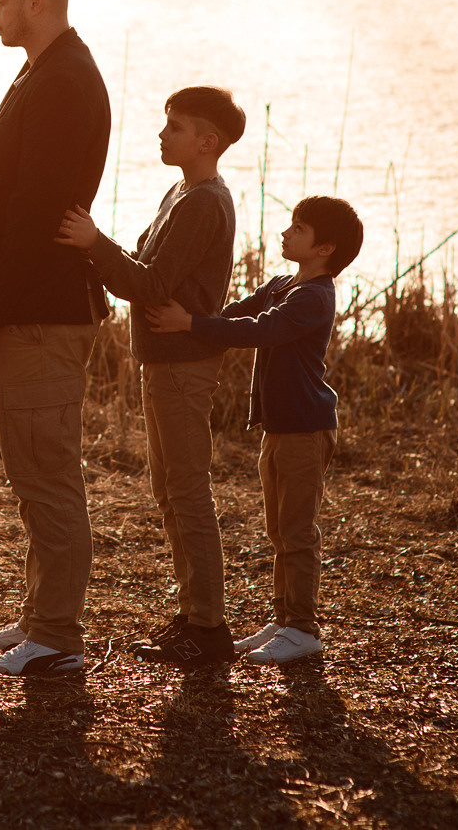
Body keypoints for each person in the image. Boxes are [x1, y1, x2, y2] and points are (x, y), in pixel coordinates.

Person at [0, 0, 113, 677]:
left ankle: (56, 636)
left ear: (37, 2)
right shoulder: (47, 70)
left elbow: (34, 210)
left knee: (49, 471)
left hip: (41, 312)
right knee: (33, 469)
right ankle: (38, 615)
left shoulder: (63, 82)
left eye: (1, 0)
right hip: (31, 310)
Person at [54, 85, 246, 668]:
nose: (163, 135)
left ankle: (209, 628)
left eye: (177, 127)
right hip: (164, 361)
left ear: (207, 141)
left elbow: (151, 283)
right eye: (167, 125)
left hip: (185, 364)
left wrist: (93, 244)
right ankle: (192, 615)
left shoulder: (204, 202)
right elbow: (150, 269)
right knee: (169, 489)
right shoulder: (180, 192)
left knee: (187, 492)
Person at [148, 195, 365, 666]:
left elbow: (260, 330)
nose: (286, 234)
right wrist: (197, 316)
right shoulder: (285, 284)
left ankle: (303, 628)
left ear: (325, 248)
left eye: (298, 229)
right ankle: (284, 619)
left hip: (305, 429)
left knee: (297, 532)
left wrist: (188, 323)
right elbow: (237, 312)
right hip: (280, 428)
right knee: (278, 529)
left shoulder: (314, 297)